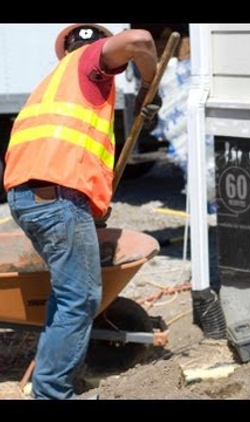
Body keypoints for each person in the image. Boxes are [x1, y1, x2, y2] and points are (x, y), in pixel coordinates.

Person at [2, 24, 161, 399]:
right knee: (80, 297)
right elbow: (139, 40)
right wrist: (147, 87)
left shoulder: (54, 85)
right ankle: (52, 393)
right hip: (55, 198)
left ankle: (49, 385)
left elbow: (68, 154)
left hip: (33, 197)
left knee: (69, 294)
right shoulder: (89, 63)